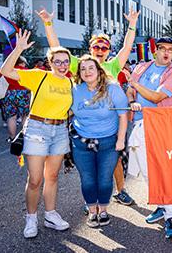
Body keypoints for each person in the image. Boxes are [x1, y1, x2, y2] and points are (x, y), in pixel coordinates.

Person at [36, 7, 140, 207]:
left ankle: (121, 191)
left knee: (115, 161)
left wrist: (132, 24)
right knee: (89, 166)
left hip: (112, 124)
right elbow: (56, 48)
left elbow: (127, 46)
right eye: (96, 48)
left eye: (104, 48)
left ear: (108, 51)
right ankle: (91, 200)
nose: (100, 51)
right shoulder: (80, 65)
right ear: (90, 49)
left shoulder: (113, 65)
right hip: (86, 126)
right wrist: (48, 23)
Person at [0, 30, 73, 239]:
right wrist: (18, 49)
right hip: (37, 130)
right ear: (50, 63)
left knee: (52, 176)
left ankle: (50, 215)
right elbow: (6, 70)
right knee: (35, 179)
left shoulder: (69, 83)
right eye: (57, 62)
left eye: (65, 62)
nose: (62, 65)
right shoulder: (38, 76)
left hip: (60, 131)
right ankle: (31, 218)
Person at [125, 37, 172, 239]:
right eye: (163, 49)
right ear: (155, 51)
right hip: (140, 125)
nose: (167, 53)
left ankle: (171, 216)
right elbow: (130, 91)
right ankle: (161, 206)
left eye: (171, 49)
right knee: (148, 172)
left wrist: (134, 84)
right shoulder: (141, 68)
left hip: (162, 126)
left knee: (165, 172)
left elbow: (156, 98)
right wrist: (132, 100)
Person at [71, 55, 129, 228]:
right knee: (87, 179)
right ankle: (92, 211)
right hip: (81, 142)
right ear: (79, 73)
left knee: (104, 179)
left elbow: (123, 116)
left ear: (98, 70)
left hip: (108, 143)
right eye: (83, 69)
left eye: (91, 68)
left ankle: (103, 210)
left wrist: (120, 140)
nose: (87, 72)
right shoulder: (75, 89)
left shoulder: (113, 89)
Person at [0, 57, 31, 141]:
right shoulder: (25, 70)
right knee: (25, 116)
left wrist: (1, 83)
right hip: (23, 93)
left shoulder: (7, 69)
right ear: (22, 62)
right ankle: (26, 138)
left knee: (11, 117)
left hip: (9, 93)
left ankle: (12, 138)